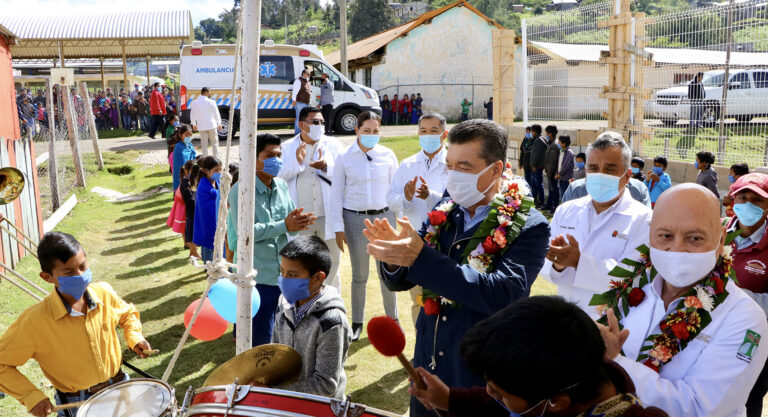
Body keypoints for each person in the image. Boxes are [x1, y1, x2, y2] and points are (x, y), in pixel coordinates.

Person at [366, 119, 550, 417]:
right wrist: (393, 257)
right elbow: (403, 280)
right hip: (428, 363)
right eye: (449, 166)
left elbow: (504, 294)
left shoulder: (529, 226)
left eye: (464, 167)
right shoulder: (445, 208)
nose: (453, 175)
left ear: (496, 170)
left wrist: (419, 258)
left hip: (481, 378)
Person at [597, 183, 768, 417]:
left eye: (695, 238)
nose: (678, 249)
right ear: (650, 234)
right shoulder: (634, 287)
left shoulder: (745, 318)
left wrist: (613, 362)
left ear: (721, 241)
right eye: (666, 235)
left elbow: (701, 409)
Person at [409, 296, 668, 417]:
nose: (488, 393)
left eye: (499, 392)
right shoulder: (568, 380)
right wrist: (450, 398)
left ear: (556, 402)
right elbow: (501, 406)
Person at [0, 232, 151, 417]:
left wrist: (135, 338)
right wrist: (31, 396)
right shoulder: (34, 321)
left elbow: (127, 314)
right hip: (78, 404)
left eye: (82, 266)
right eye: (69, 272)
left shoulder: (103, 292)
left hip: (121, 388)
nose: (80, 275)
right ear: (47, 277)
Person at [542, 131, 653, 318]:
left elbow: (631, 276)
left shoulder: (644, 219)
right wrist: (559, 265)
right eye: (593, 168)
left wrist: (579, 261)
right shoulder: (566, 210)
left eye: (609, 170)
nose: (600, 175)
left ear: (627, 176)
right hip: (564, 317)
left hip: (611, 322)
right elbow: (545, 264)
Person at [228, 133, 316, 346]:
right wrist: (284, 225)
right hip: (256, 274)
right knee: (258, 340)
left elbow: (289, 227)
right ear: (253, 158)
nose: (276, 160)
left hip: (281, 274)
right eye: (269, 155)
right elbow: (245, 233)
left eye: (279, 155)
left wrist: (297, 222)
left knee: (278, 332)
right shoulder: (241, 190)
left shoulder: (281, 185)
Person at [331, 111, 399, 341]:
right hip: (355, 219)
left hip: (385, 218)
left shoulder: (388, 155)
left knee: (387, 272)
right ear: (356, 130)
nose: (371, 134)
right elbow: (336, 194)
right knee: (360, 275)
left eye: (376, 131)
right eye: (367, 130)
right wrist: (337, 227)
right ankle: (357, 322)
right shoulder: (344, 157)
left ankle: (394, 319)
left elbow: (395, 189)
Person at [387, 112, 449, 326]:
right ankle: (422, 351)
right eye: (424, 131)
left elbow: (458, 203)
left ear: (444, 134)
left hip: (445, 243)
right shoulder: (407, 165)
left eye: (434, 131)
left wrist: (430, 197)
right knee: (420, 301)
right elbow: (391, 199)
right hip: (415, 243)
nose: (428, 135)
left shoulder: (453, 164)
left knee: (447, 300)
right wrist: (405, 197)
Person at [271, 236, 351, 399]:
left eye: (292, 275)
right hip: (286, 400)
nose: (284, 280)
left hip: (318, 407)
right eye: (282, 272)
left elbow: (325, 384)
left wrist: (277, 391)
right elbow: (275, 353)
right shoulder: (284, 304)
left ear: (318, 278)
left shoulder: (331, 321)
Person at [279, 107, 345, 291]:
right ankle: (303, 301)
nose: (320, 126)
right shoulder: (286, 147)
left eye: (322, 122)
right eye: (315, 122)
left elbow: (345, 175)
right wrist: (298, 163)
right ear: (302, 125)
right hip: (301, 217)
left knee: (331, 261)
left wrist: (326, 166)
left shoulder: (334, 145)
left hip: (327, 214)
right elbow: (278, 177)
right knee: (301, 263)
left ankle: (330, 303)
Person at [724, 173, 768, 417]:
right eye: (743, 197)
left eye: (757, 200)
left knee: (748, 397)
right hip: (709, 333)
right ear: (733, 200)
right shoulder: (714, 230)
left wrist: (732, 295)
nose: (748, 204)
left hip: (754, 339)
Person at [193, 155, 222, 263]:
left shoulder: (217, 183)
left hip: (216, 221)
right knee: (209, 249)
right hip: (208, 223)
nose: (219, 172)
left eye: (220, 169)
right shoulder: (203, 187)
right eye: (216, 170)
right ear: (206, 171)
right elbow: (206, 208)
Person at [561, 176, 652, 208]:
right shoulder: (576, 189)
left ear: (627, 174)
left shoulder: (639, 189)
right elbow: (563, 224)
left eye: (611, 169)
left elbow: (646, 229)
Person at [190, 87, 223, 157]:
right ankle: (216, 158)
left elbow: (192, 114)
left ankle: (205, 159)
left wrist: (194, 124)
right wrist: (219, 123)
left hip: (201, 126)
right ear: (207, 92)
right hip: (211, 125)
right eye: (209, 92)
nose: (209, 94)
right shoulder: (211, 102)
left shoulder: (195, 102)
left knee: (204, 145)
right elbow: (216, 114)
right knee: (214, 143)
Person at [180, 159, 201, 259]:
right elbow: (190, 200)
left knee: (194, 232)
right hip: (191, 213)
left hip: (194, 212)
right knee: (192, 233)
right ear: (186, 171)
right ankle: (193, 252)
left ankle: (194, 252)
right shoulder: (185, 184)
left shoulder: (190, 182)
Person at [172, 125, 197, 192]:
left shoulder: (190, 145)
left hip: (191, 173)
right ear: (180, 136)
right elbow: (180, 165)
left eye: (190, 134)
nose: (189, 137)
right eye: (186, 135)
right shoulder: (178, 147)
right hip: (184, 175)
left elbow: (195, 158)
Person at [543, 125, 561, 212]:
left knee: (554, 189)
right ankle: (549, 204)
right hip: (550, 171)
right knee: (551, 189)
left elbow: (553, 162)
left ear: (550, 134)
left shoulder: (554, 144)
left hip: (552, 172)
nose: (545, 134)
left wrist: (551, 173)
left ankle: (554, 206)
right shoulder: (551, 142)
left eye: (546, 133)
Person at [530, 124, 547, 208]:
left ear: (535, 132)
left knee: (538, 184)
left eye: (532, 131)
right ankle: (537, 199)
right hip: (539, 165)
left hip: (537, 166)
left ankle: (541, 200)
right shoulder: (541, 139)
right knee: (537, 183)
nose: (531, 133)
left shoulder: (538, 141)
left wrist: (533, 165)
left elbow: (536, 155)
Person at [291, 68, 312, 134]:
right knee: (299, 119)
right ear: (303, 74)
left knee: (305, 119)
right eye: (307, 74)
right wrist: (294, 100)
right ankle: (297, 134)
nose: (309, 75)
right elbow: (294, 91)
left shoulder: (307, 81)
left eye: (309, 74)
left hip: (306, 103)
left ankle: (303, 133)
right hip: (300, 102)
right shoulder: (298, 80)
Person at [556, 134, 575, 202]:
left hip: (566, 178)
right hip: (561, 178)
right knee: (562, 195)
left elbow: (565, 166)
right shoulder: (561, 151)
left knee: (565, 196)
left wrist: (559, 174)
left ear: (564, 144)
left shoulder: (569, 153)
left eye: (559, 142)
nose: (558, 143)